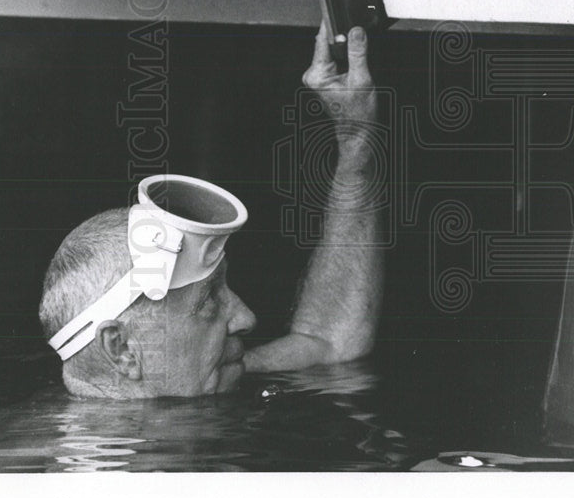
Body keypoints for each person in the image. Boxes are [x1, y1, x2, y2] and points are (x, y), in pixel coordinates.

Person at [38, 24, 383, 399]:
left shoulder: (190, 380)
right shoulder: (26, 452)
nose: (247, 318)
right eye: (208, 302)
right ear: (121, 349)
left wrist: (355, 141)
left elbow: (328, 342)